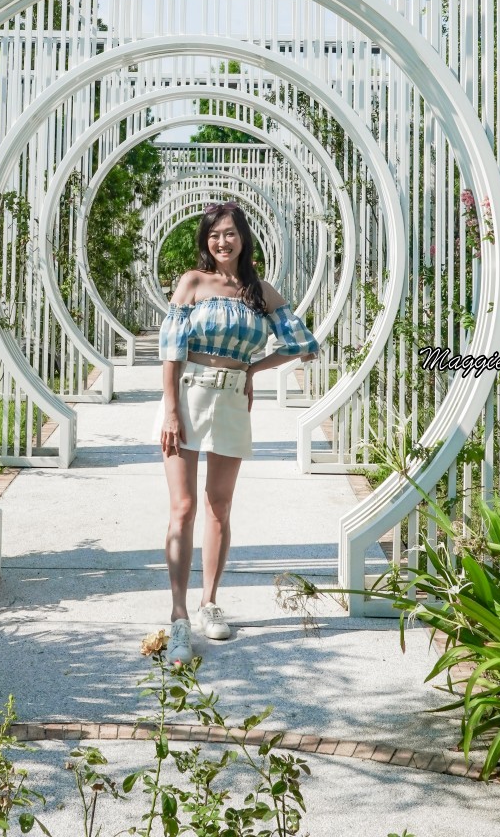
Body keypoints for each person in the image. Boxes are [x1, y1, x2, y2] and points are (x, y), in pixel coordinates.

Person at [153, 200, 319, 665]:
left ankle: (209, 602)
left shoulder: (259, 292)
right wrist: (169, 411)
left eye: (229, 233)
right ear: (205, 241)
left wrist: (252, 370)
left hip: (229, 401)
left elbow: (302, 345)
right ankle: (179, 617)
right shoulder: (192, 282)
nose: (221, 241)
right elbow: (171, 352)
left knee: (219, 507)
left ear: (243, 238)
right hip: (186, 397)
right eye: (213, 234)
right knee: (182, 508)